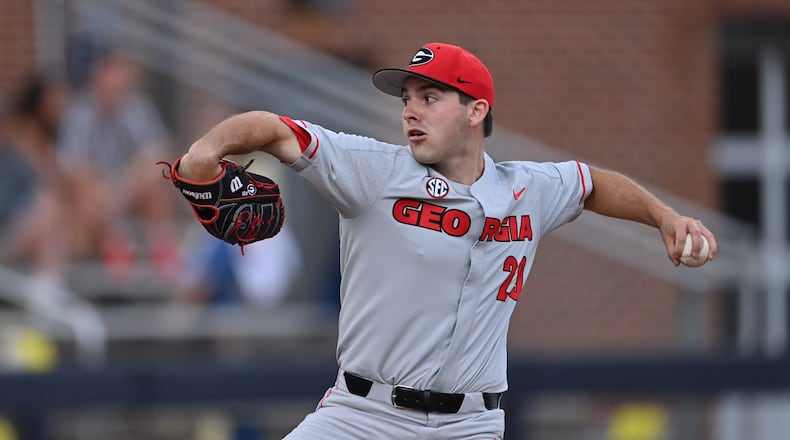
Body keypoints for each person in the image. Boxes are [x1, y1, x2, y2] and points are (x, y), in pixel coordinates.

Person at [172, 42, 717, 439]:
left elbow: (593, 183)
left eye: (430, 97)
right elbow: (274, 128)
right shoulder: (374, 172)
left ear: (476, 111)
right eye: (407, 97)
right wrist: (204, 152)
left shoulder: (526, 188)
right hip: (364, 418)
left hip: (472, 425)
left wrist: (663, 217)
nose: (410, 108)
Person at [57, 49, 181, 279]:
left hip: (128, 189)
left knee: (155, 174)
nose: (118, 82)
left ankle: (161, 246)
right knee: (85, 187)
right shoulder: (79, 113)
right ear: (98, 75)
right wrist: (107, 192)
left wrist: (124, 186)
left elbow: (158, 152)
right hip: (96, 194)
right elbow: (71, 165)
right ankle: (114, 243)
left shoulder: (137, 109)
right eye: (113, 73)